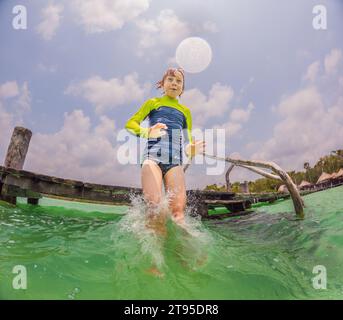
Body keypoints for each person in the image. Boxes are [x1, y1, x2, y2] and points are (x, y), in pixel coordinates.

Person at [125, 68, 205, 226]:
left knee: (178, 213)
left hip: (174, 162)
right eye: (170, 79)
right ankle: (154, 249)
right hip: (152, 158)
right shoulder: (153, 103)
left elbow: (189, 140)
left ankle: (181, 248)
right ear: (162, 84)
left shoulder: (186, 112)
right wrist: (148, 132)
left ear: (182, 88)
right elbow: (130, 124)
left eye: (179, 81)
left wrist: (191, 150)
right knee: (155, 207)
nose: (174, 83)